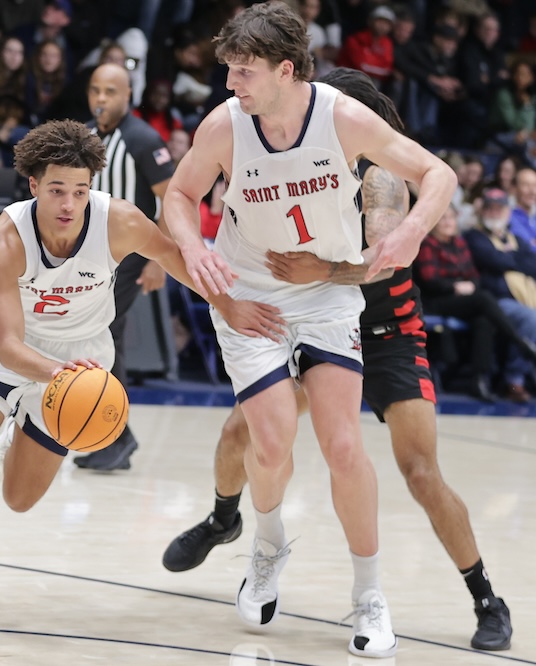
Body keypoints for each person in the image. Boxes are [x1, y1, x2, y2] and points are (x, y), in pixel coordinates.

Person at [162, 3, 457, 657]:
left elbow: (438, 174)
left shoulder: (343, 118)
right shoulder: (225, 125)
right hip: (251, 297)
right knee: (269, 442)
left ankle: (369, 595)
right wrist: (195, 246)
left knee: (343, 446)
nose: (231, 83)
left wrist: (412, 230)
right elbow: (178, 195)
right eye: (229, 70)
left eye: (244, 71)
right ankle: (267, 547)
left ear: (285, 70)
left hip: (324, 298)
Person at [0, 119, 284, 625]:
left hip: (83, 356)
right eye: (56, 190)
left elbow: (174, 258)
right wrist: (58, 373)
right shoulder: (7, 237)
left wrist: (228, 305)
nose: (69, 204)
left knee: (19, 500)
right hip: (11, 352)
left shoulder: (119, 221)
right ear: (33, 185)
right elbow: (7, 346)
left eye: (79, 190)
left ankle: (16, 433)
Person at [72, 62, 174, 472]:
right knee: (102, 338)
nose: (100, 98)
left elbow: (171, 199)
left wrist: (158, 260)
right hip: (92, 258)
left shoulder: (143, 139)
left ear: (128, 95)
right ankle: (113, 435)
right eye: (95, 90)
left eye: (110, 91)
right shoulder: (84, 136)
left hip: (128, 257)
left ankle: (117, 435)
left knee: (102, 335)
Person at [415, 201, 536, 402]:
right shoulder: (427, 244)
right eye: (443, 218)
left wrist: (468, 285)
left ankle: (479, 380)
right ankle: (521, 343)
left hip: (461, 300)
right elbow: (429, 280)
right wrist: (455, 286)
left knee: (484, 319)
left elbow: (473, 275)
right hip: (435, 301)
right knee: (484, 299)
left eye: (451, 218)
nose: (447, 222)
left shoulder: (459, 243)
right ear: (434, 221)